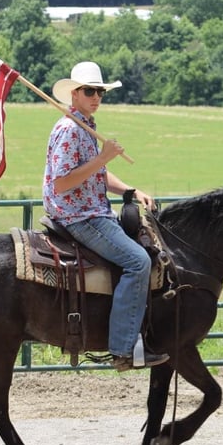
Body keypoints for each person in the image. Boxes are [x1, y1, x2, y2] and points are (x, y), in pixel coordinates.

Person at [42, 61, 170, 372]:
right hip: (78, 215)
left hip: (91, 210)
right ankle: (123, 349)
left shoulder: (85, 125)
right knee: (138, 261)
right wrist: (102, 157)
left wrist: (130, 191)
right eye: (89, 91)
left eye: (100, 92)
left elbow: (97, 174)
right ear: (74, 94)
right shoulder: (71, 129)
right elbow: (61, 183)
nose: (96, 96)